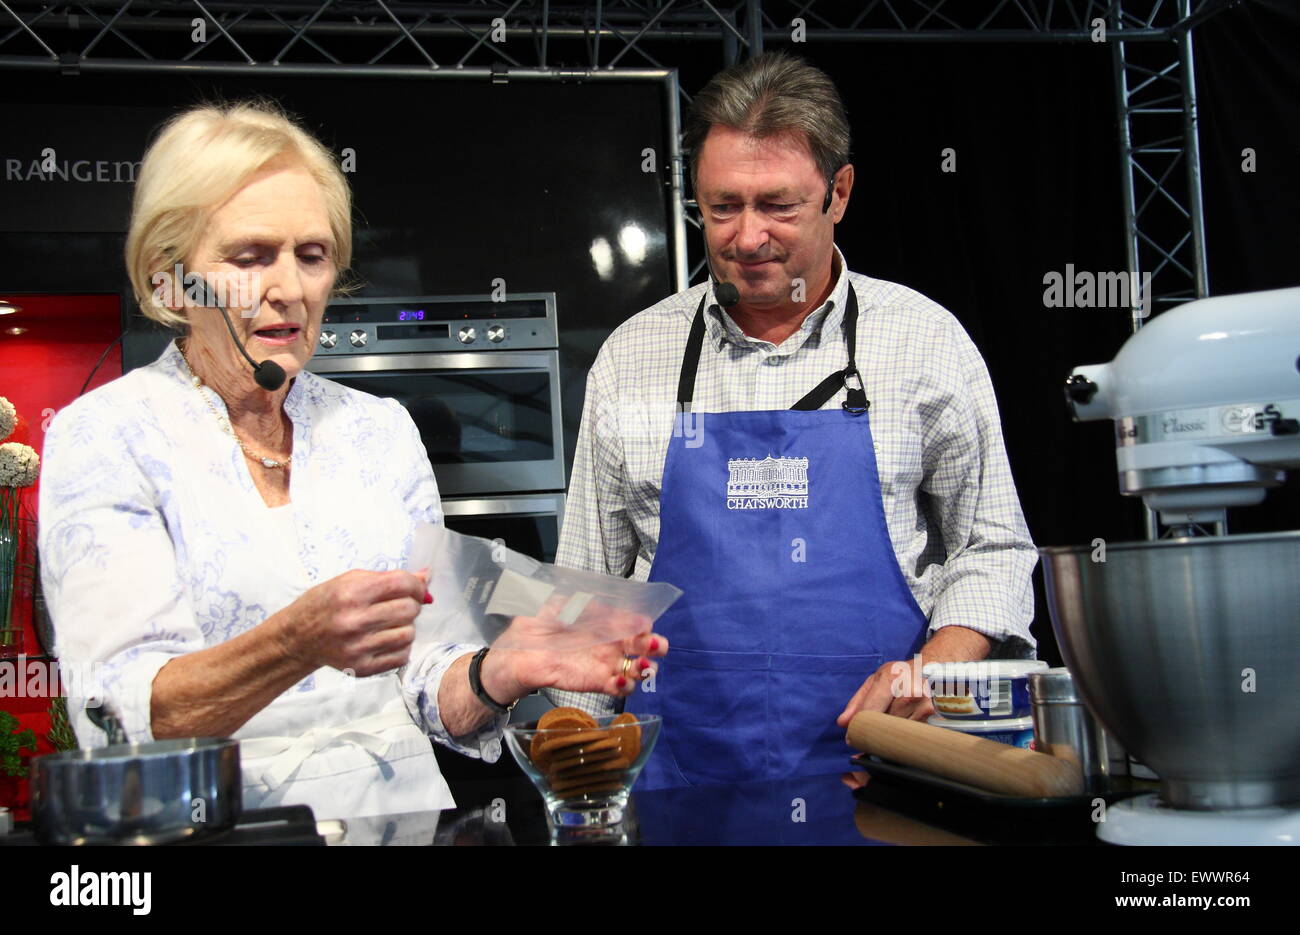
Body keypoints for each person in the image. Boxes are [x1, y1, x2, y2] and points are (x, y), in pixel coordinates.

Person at [37, 100, 665, 822]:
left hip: (400, 825)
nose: (290, 288)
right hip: (215, 828)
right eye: (250, 256)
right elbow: (119, 709)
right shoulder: (108, 435)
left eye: (312, 255)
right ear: (168, 278)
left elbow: (429, 681)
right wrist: (296, 640)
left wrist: (497, 672)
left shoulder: (379, 431)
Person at [550, 52, 1038, 790]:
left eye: (777, 205)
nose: (747, 238)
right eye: (722, 207)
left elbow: (995, 546)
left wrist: (933, 671)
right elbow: (587, 589)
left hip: (891, 767)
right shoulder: (633, 357)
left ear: (838, 192)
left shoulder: (924, 341)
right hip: (686, 782)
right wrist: (573, 760)